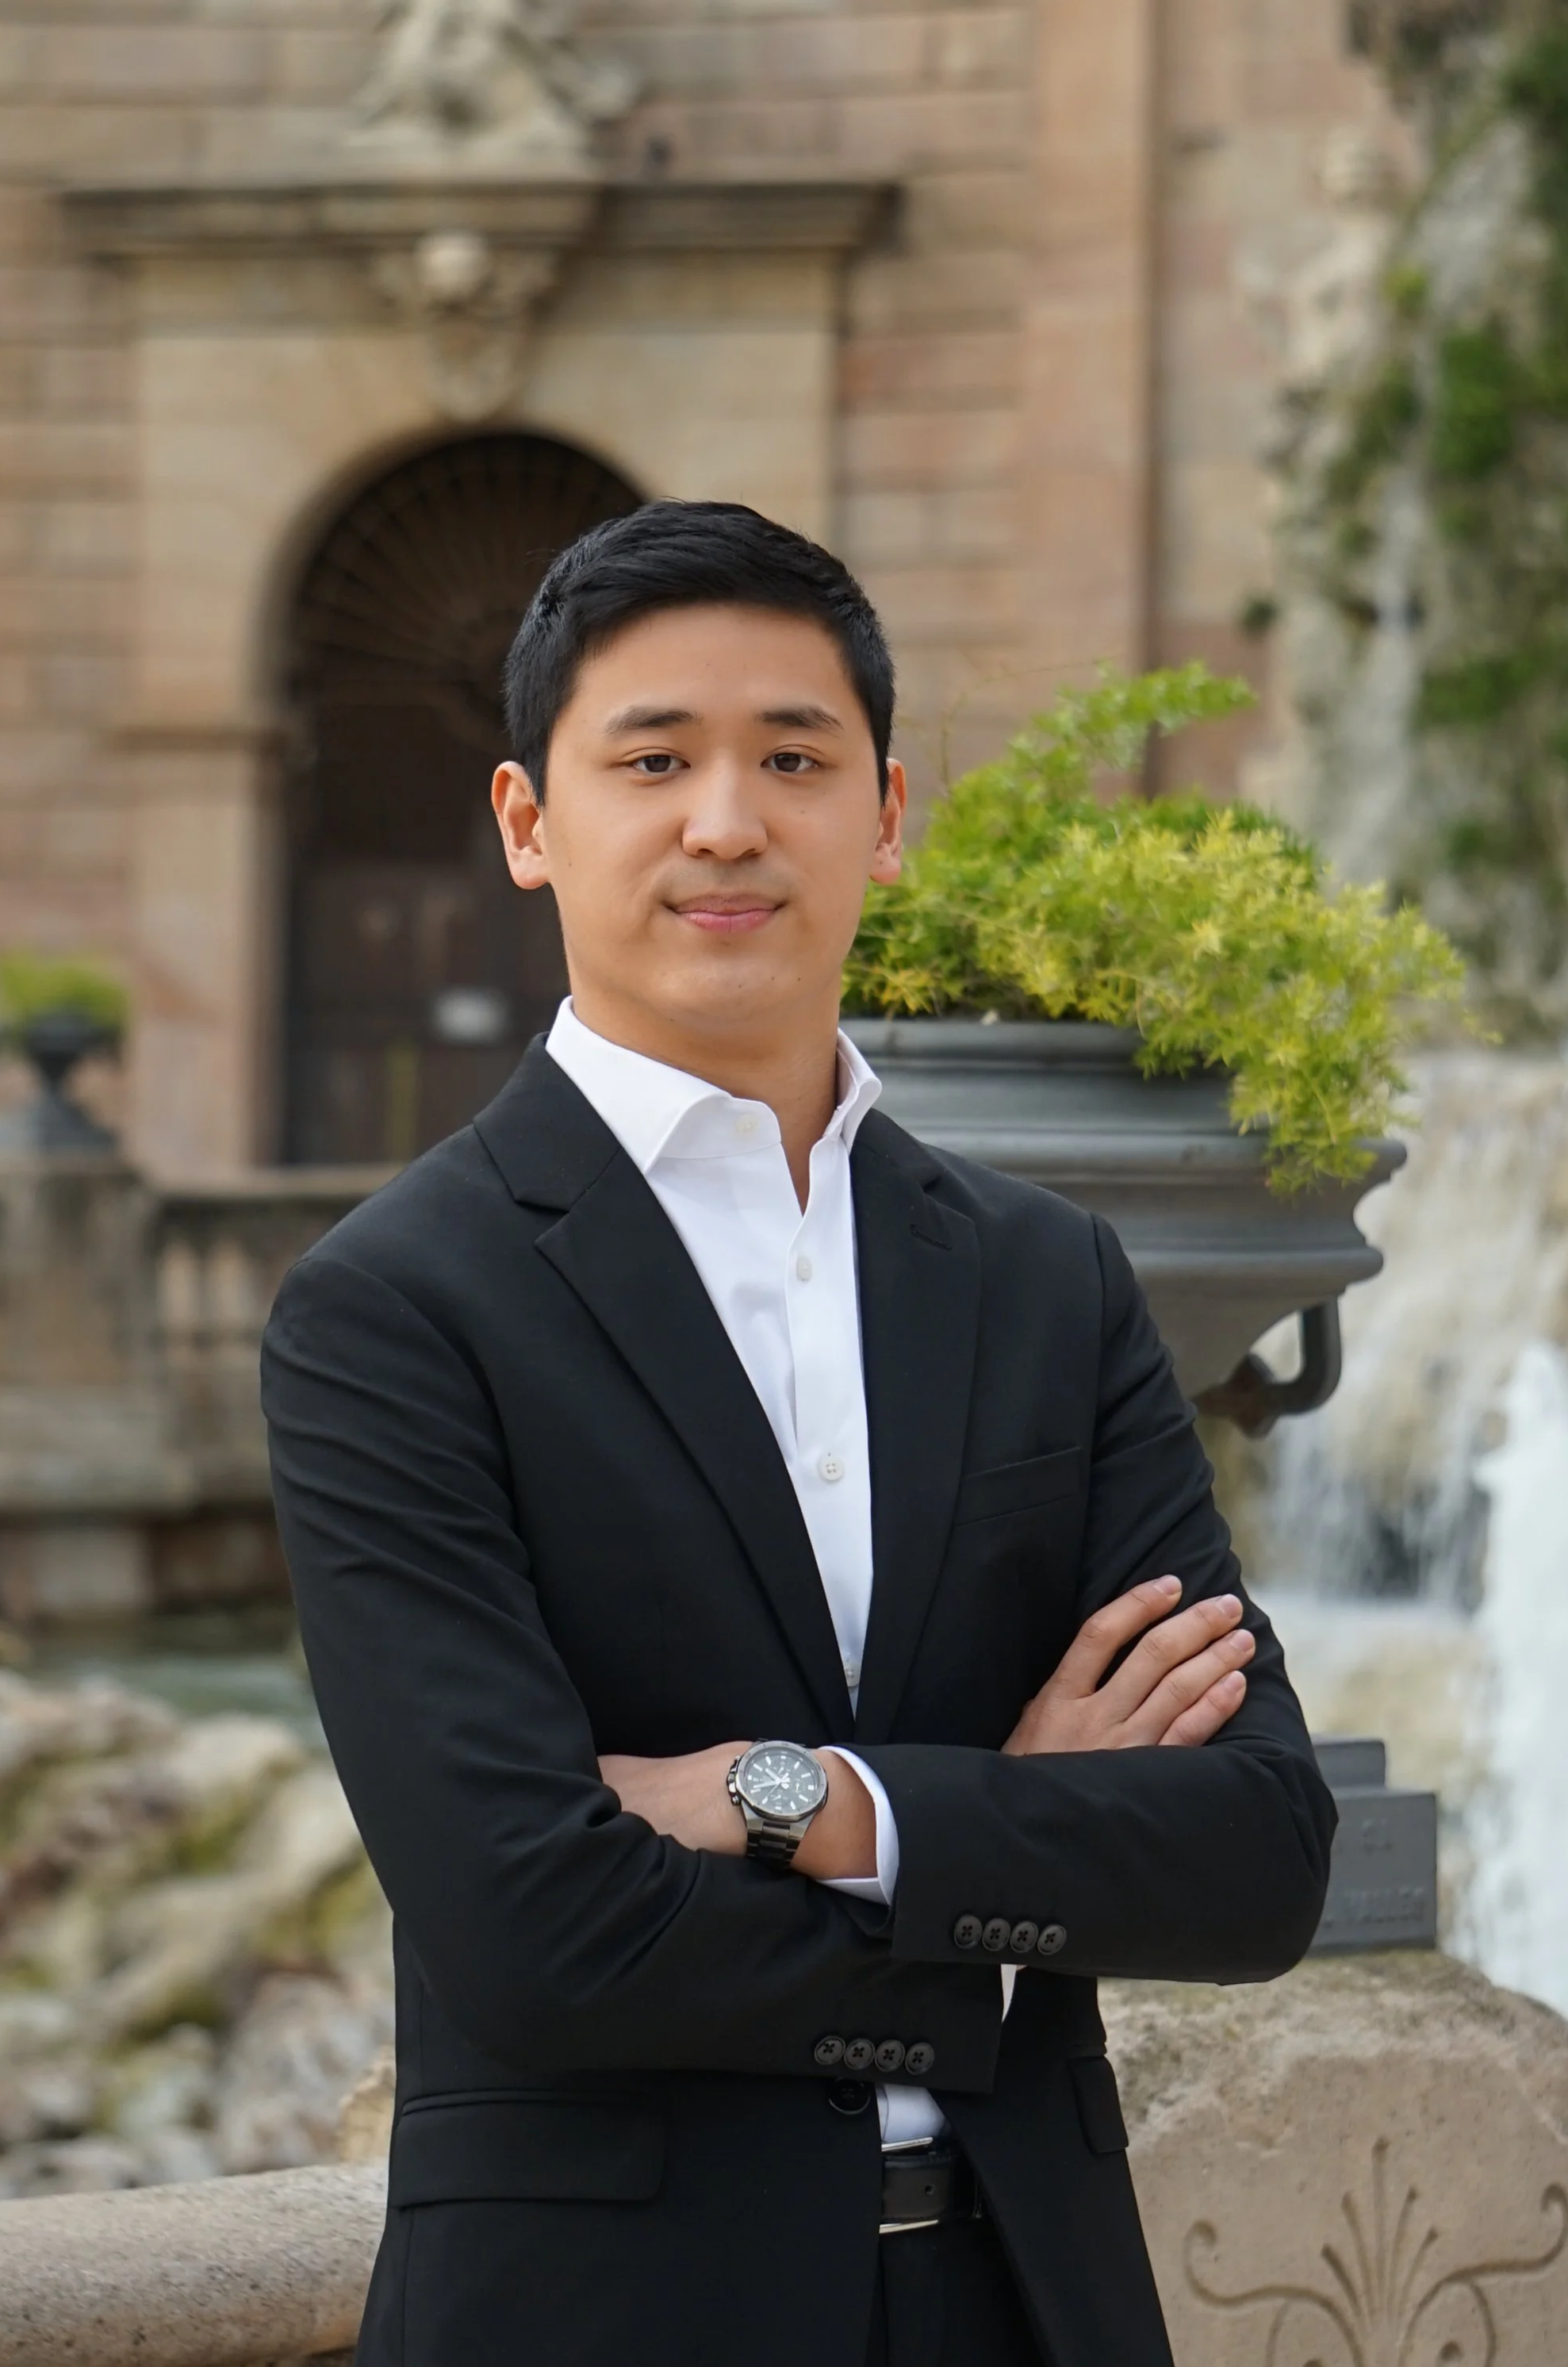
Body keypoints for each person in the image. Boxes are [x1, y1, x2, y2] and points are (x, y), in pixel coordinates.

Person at [261, 500, 1335, 2367]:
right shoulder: (392, 1307)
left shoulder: (1043, 1275)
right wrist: (1007, 1863)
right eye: (653, 758)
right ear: (529, 823)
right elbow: (533, 1927)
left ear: (887, 811)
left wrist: (813, 1801)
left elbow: (1253, 1851)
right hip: (602, 2320)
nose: (726, 822)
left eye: (792, 758)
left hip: (1032, 2301)